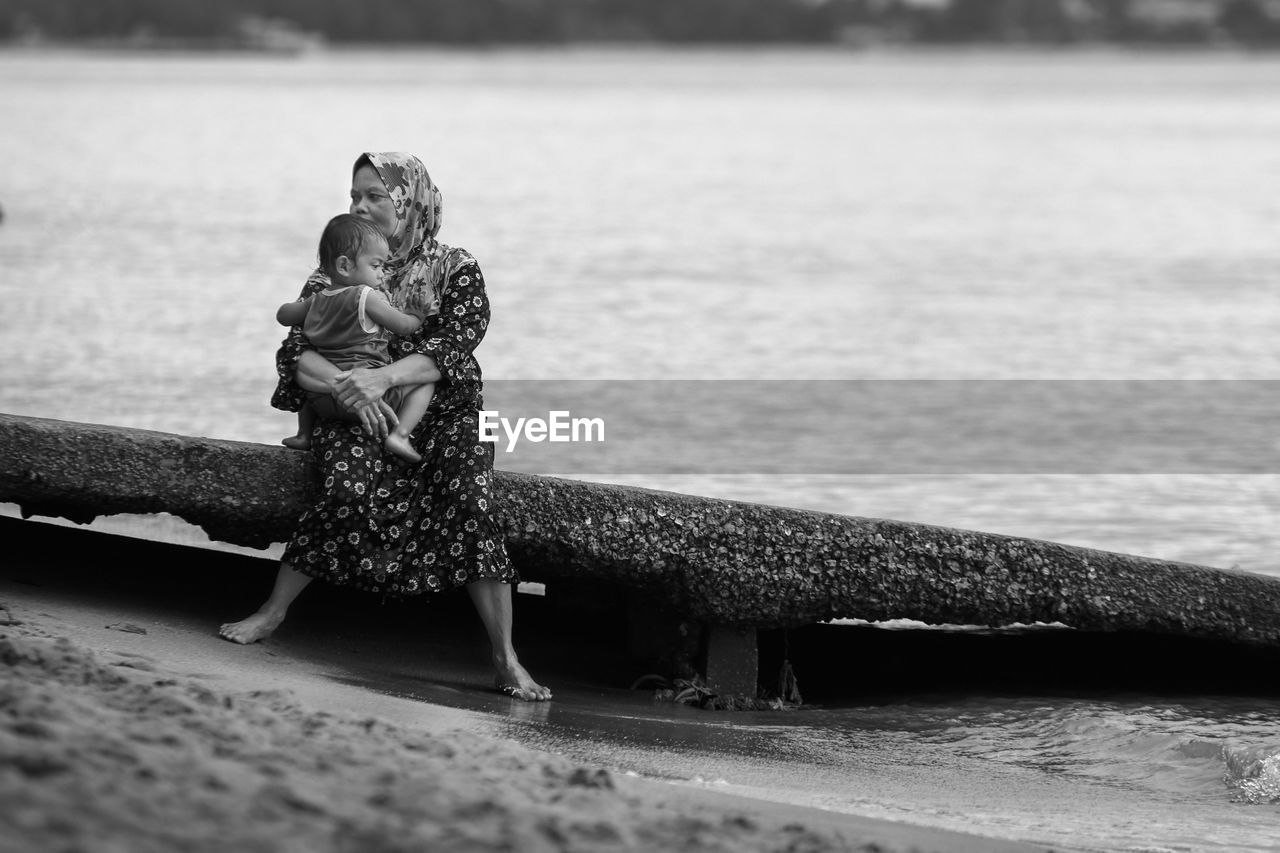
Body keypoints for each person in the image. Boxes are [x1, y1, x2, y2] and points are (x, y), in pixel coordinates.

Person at [220, 152, 551, 702]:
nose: (362, 206)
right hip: (355, 412)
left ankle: (505, 656)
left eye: (376, 195)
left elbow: (451, 347)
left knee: (469, 499)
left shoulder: (455, 267)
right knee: (346, 489)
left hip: (441, 415)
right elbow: (296, 350)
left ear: (409, 200)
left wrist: (383, 379)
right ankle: (272, 613)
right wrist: (348, 390)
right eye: (355, 196)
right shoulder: (340, 268)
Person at [279, 213, 436, 463]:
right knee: (426, 383)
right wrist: (416, 315)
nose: (382, 274)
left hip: (321, 399)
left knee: (307, 377)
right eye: (376, 266)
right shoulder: (365, 296)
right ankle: (401, 435)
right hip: (366, 396)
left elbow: (284, 315)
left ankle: (303, 434)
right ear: (344, 266)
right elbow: (403, 327)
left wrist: (295, 307)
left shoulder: (316, 298)